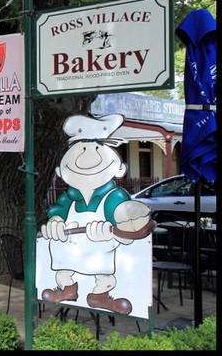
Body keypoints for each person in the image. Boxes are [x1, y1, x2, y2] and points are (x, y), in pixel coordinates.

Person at [39, 114, 155, 315]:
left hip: (100, 248)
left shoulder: (113, 197)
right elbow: (57, 209)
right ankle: (67, 288)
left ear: (120, 169)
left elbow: (122, 216)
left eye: (97, 147)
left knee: (104, 274)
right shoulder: (69, 198)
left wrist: (120, 223)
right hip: (71, 249)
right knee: (63, 266)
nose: (88, 153)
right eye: (81, 147)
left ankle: (100, 295)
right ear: (60, 171)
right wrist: (56, 220)